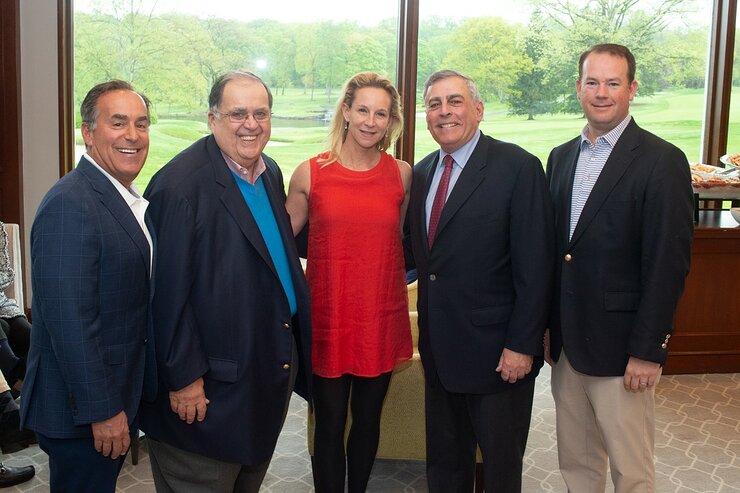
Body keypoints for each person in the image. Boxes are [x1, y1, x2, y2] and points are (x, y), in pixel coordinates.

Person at [139, 70, 312, 493]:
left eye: (260, 113)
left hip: (257, 379)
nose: (250, 124)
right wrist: (183, 378)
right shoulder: (179, 188)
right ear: (213, 119)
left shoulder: (267, 171)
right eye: (237, 113)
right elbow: (165, 297)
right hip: (207, 394)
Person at [544, 43, 694, 493]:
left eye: (613, 83)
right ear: (578, 88)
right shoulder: (561, 156)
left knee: (631, 471)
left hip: (624, 350)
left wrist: (649, 349)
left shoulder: (661, 160)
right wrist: (548, 326)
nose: (601, 92)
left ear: (631, 89)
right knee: (577, 463)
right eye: (592, 82)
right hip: (569, 346)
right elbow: (559, 253)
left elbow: (668, 263)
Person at [404, 70, 554, 492]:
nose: (444, 112)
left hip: (498, 356)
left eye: (455, 101)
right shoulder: (422, 173)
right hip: (439, 353)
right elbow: (419, 258)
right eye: (434, 104)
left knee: (500, 469)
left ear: (478, 109)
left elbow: (536, 266)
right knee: (446, 465)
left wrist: (522, 346)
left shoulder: (518, 167)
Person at [20, 80, 157, 492]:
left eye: (141, 123)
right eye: (118, 123)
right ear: (88, 131)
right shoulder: (72, 203)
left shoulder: (120, 196)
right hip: (83, 412)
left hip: (110, 399)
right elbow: (70, 322)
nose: (132, 135)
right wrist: (103, 411)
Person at [286, 72, 412, 492]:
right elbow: (279, 248)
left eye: (380, 113)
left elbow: (405, 244)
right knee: (329, 424)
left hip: (378, 318)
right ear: (345, 110)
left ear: (390, 119)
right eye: (362, 110)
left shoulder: (402, 175)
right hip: (329, 318)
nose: (370, 121)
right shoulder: (309, 174)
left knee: (368, 421)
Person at [0, 221, 31, 389]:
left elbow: (6, 273)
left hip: (4, 305)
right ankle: (14, 382)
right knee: (2, 327)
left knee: (31, 334)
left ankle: (19, 380)